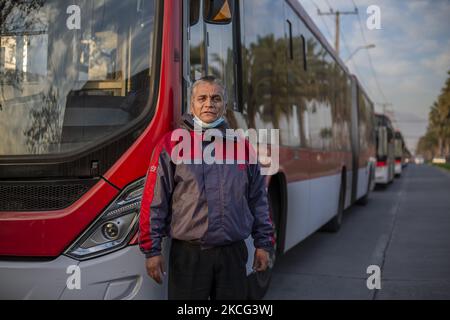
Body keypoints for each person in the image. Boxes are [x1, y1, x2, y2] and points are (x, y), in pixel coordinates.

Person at [139, 76, 274, 300]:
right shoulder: (171, 144)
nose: (209, 103)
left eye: (216, 98)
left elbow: (258, 199)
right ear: (192, 104)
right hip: (189, 256)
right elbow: (154, 201)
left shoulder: (241, 146)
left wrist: (264, 244)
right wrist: (152, 250)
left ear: (224, 105)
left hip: (232, 254)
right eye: (202, 98)